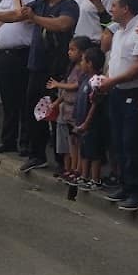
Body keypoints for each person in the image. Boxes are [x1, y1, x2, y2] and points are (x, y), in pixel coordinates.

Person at [18, 0, 79, 171]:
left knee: (57, 114)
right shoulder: (40, 3)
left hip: (57, 69)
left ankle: (63, 161)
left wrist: (35, 18)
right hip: (36, 66)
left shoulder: (69, 5)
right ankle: (37, 155)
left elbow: (62, 24)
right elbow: (19, 14)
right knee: (34, 111)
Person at [97, 0, 138, 211]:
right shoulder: (119, 31)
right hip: (117, 91)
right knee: (118, 141)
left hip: (135, 92)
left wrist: (113, 81)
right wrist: (106, 81)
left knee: (133, 142)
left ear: (126, 8)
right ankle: (125, 185)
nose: (111, 10)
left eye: (115, 6)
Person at [0, 0, 35, 154]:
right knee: (8, 100)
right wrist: (8, 14)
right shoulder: (5, 1)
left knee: (23, 100)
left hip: (22, 54)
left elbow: (19, 16)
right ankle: (8, 139)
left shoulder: (32, 0)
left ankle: (24, 142)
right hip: (4, 55)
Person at [47, 36, 91, 182]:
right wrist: (57, 101)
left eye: (73, 49)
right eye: (69, 49)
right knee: (69, 142)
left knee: (77, 141)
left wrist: (58, 85)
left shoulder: (82, 69)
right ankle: (69, 168)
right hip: (65, 108)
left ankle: (77, 169)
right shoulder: (71, 67)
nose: (69, 52)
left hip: (75, 110)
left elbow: (75, 86)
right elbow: (66, 90)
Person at [71, 45, 110, 188]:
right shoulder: (84, 78)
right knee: (84, 150)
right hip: (81, 121)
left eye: (83, 61)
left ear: (90, 64)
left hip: (93, 123)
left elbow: (95, 103)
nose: (81, 63)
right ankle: (84, 175)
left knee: (95, 151)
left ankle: (95, 178)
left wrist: (87, 122)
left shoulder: (97, 80)